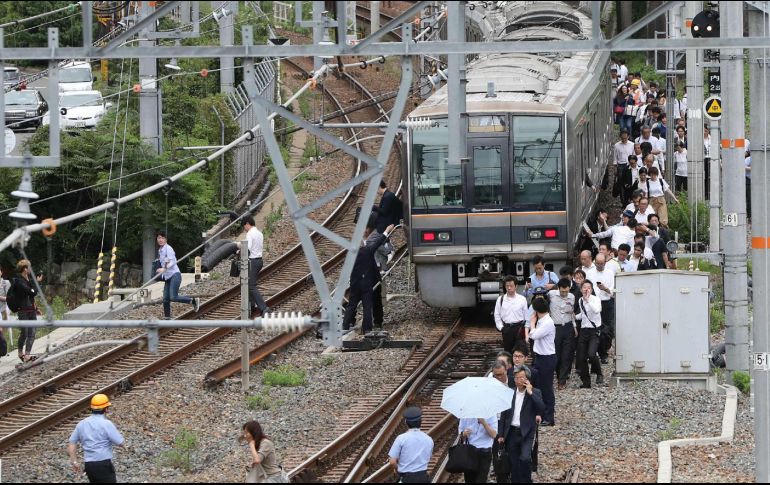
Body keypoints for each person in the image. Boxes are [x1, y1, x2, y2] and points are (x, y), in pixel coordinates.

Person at [343, 223, 396, 333]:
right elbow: (378, 242)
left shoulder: (350, 254)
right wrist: (387, 230)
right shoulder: (367, 251)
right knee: (367, 307)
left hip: (355, 283)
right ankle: (367, 329)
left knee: (351, 305)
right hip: (366, 284)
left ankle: (345, 326)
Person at [497, 365, 544, 484]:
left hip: (527, 432)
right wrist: (501, 434)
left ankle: (526, 480)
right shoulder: (510, 392)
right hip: (511, 432)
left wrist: (530, 392)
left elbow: (541, 407)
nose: (518, 380)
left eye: (521, 377)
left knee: (525, 458)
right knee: (514, 462)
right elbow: (503, 415)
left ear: (527, 379)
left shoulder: (535, 392)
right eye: (516, 378)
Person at [68, 394, 125, 483]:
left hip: (89, 465)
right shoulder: (107, 424)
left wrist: (74, 462)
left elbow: (72, 443)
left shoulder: (81, 424)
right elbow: (120, 442)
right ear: (106, 409)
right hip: (103, 464)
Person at [156, 231, 200, 319]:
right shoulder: (160, 250)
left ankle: (193, 301)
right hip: (167, 277)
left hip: (174, 275)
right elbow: (164, 262)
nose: (160, 240)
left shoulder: (168, 249)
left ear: (166, 239)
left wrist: (164, 268)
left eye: (162, 238)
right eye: (159, 238)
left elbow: (172, 261)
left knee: (173, 297)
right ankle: (167, 318)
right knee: (165, 299)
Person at [527, 297, 556, 426]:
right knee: (539, 386)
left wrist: (532, 323)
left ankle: (549, 417)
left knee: (546, 388)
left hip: (547, 358)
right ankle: (542, 414)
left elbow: (533, 335)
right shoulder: (543, 321)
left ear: (536, 310)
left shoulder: (547, 322)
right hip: (540, 357)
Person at [388, 407, 434, 483]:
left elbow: (392, 462)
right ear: (420, 421)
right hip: (423, 478)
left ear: (406, 422)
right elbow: (428, 457)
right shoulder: (429, 439)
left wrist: (397, 469)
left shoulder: (401, 438)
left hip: (407, 478)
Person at [585, 254, 615, 364]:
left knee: (607, 329)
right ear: (595, 262)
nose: (599, 265)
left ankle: (604, 353)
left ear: (605, 263)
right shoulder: (590, 273)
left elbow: (612, 292)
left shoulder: (610, 273)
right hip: (594, 301)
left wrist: (605, 288)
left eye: (601, 263)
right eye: (597, 263)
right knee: (594, 328)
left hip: (606, 302)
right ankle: (594, 353)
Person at [549, 279, 576, 391]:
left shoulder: (572, 297)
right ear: (558, 288)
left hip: (568, 327)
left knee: (566, 355)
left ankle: (562, 381)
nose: (564, 293)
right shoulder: (551, 295)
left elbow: (572, 312)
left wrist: (574, 327)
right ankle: (558, 375)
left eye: (566, 291)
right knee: (557, 355)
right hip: (556, 328)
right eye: (562, 291)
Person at [575, 281, 603, 388]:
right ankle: (586, 382)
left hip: (594, 330)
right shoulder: (580, 300)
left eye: (589, 288)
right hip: (584, 330)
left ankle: (599, 373)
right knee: (581, 357)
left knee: (591, 354)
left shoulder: (596, 299)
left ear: (591, 290)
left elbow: (597, 310)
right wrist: (573, 316)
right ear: (581, 289)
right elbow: (583, 315)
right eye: (584, 287)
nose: (586, 289)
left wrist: (588, 301)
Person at [240, 219, 269, 316]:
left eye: (244, 226)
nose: (244, 229)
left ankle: (264, 308)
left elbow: (247, 248)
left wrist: (239, 250)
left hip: (252, 261)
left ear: (247, 224)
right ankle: (251, 306)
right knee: (248, 284)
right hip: (259, 261)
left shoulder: (250, 234)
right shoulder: (259, 233)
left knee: (251, 285)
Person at [13, 259, 40, 362]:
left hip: (31, 309)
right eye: (29, 267)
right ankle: (20, 353)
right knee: (24, 333)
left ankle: (27, 355)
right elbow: (32, 292)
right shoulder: (18, 281)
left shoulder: (29, 280)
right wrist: (36, 284)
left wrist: (36, 307)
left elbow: (31, 296)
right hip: (23, 310)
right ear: (25, 269)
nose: (30, 269)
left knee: (32, 333)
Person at [458, 415, 498, 483]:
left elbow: (494, 435)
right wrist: (464, 434)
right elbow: (460, 436)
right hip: (469, 451)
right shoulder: (465, 414)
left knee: (481, 480)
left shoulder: (491, 414)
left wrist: (484, 423)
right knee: (469, 480)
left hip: (484, 451)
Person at [494, 276, 528, 353]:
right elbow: (497, 315)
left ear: (516, 286)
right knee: (508, 352)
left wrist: (525, 330)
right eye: (507, 286)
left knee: (520, 351)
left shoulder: (522, 299)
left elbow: (526, 316)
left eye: (511, 286)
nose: (509, 288)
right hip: (507, 329)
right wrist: (501, 328)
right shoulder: (500, 299)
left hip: (519, 328)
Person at [372, 180, 401, 265]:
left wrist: (374, 207)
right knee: (381, 241)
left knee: (374, 242)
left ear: (379, 187)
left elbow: (384, 211)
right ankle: (382, 265)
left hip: (385, 223)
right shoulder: (388, 195)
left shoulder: (388, 196)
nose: (376, 192)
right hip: (385, 222)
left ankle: (389, 252)